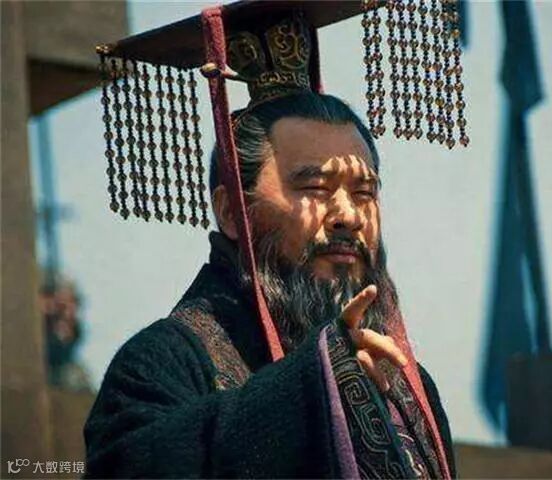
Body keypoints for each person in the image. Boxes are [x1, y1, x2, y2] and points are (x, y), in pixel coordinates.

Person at [86, 3, 467, 478]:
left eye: (364, 193)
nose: (348, 216)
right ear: (232, 210)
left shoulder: (405, 382)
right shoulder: (163, 363)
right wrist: (318, 380)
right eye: (315, 188)